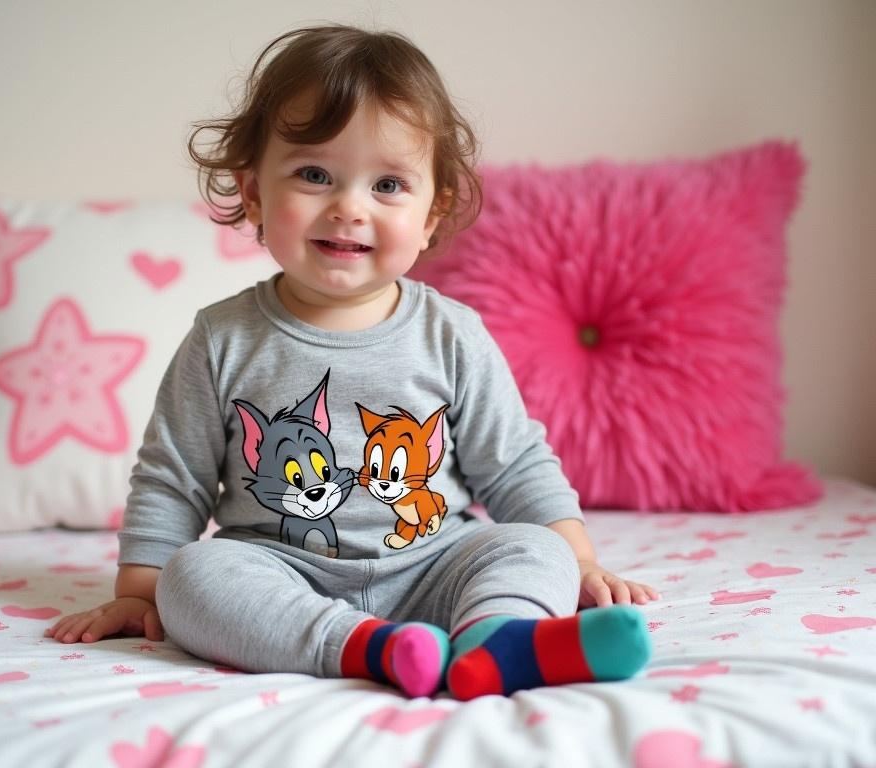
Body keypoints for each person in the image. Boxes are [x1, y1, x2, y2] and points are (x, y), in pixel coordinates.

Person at [45, 24, 659, 701]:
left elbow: (514, 464)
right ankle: (371, 648)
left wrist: (578, 561)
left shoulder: (451, 333)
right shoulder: (222, 338)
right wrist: (139, 590)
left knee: (533, 549)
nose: (348, 208)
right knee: (192, 577)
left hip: (435, 565)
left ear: (434, 212)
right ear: (253, 193)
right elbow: (173, 476)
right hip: (283, 573)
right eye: (314, 175)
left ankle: (496, 640)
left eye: (389, 184)